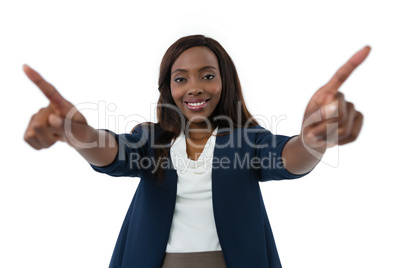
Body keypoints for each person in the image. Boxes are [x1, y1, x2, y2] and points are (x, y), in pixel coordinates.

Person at [23, 34, 370, 268]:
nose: (194, 88)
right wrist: (78, 133)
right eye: (180, 78)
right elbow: (113, 154)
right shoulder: (152, 140)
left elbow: (286, 159)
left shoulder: (245, 140)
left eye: (207, 76)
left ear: (225, 82)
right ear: (167, 88)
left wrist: (313, 139)